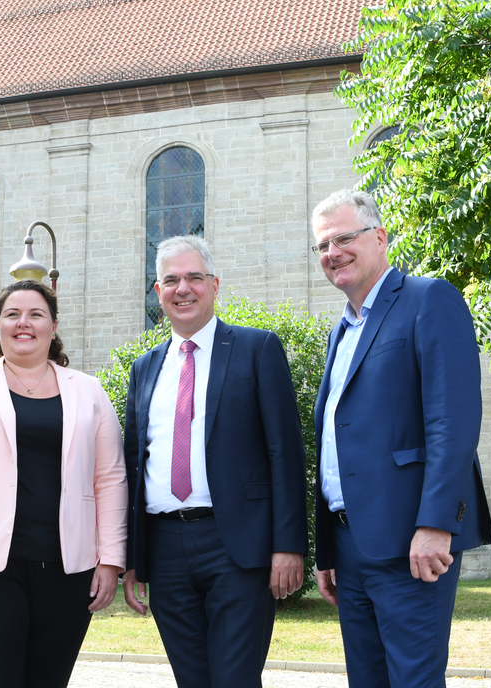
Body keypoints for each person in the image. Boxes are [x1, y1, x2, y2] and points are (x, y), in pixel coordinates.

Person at [309, 190, 491, 688]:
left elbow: (453, 422)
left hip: (410, 540)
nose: (332, 253)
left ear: (379, 237)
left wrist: (436, 524)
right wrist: (328, 551)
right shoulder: (340, 332)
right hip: (348, 545)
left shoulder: (428, 299)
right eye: (322, 246)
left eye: (343, 239)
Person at [117, 235, 306, 687]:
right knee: (192, 680)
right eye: (171, 280)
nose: (183, 289)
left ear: (214, 285)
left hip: (237, 544)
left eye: (194, 278)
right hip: (165, 548)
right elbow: (133, 466)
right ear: (158, 291)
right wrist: (133, 558)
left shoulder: (257, 348)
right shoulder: (144, 368)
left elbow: (285, 451)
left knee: (234, 679)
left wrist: (289, 545)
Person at [0, 279, 127, 688]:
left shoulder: (89, 391)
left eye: (36, 314)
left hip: (68, 572)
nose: (23, 323)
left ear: (53, 325)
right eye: (12, 314)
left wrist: (111, 559)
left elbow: (110, 478)